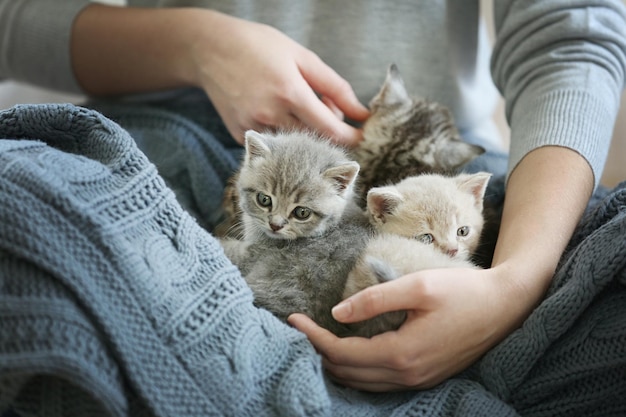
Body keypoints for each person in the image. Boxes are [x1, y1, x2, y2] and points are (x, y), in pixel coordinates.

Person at [1, 0, 625, 395]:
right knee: (21, 206)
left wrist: (515, 282)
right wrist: (198, 44)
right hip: (179, 122)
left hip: (426, 170)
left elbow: (574, 36)